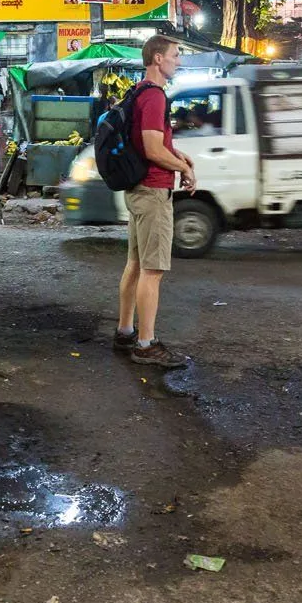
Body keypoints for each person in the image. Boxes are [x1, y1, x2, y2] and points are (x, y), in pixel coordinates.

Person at [114, 36, 195, 369]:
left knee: (135, 264)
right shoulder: (155, 97)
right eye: (175, 56)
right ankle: (145, 345)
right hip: (152, 193)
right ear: (158, 58)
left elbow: (153, 142)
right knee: (153, 270)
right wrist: (184, 168)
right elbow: (151, 148)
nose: (178, 61)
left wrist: (176, 154)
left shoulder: (138, 92)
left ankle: (125, 331)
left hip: (138, 191)